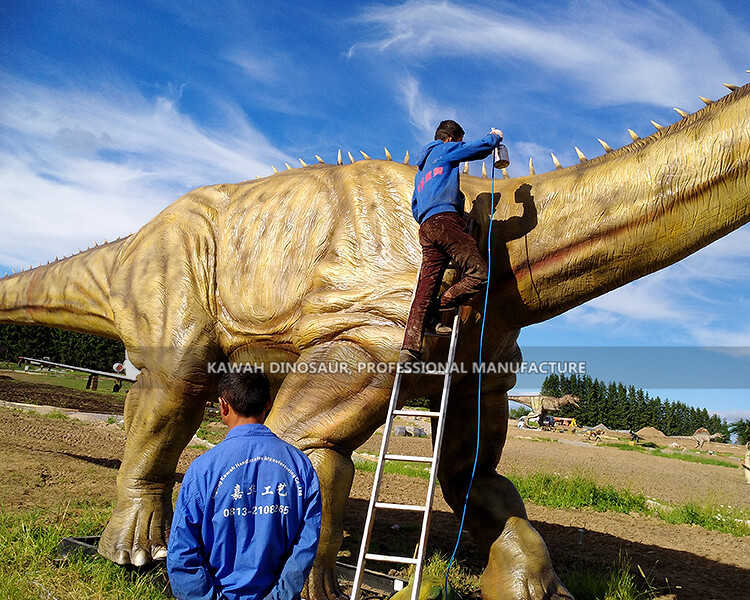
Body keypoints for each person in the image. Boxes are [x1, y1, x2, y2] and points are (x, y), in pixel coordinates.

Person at [167, 370, 322, 600]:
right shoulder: (301, 467)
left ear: (223, 406)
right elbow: (305, 545)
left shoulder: (202, 470)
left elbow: (182, 553)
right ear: (268, 404)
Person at [400, 120, 502, 363]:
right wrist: (494, 137)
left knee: (426, 285)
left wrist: (433, 218)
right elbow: (475, 150)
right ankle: (438, 306)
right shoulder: (443, 149)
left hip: (426, 227)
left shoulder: (421, 173)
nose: (459, 145)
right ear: (450, 138)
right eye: (458, 141)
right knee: (480, 273)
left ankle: (409, 347)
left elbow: (415, 207)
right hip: (446, 222)